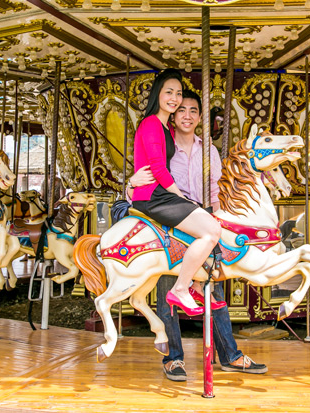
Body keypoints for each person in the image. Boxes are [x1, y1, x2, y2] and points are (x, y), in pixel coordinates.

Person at [129, 89, 267, 381]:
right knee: (167, 291)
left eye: (193, 110)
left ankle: (229, 355)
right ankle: (174, 358)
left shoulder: (210, 151)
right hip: (171, 223)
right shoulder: (163, 150)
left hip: (203, 220)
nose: (187, 116)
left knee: (214, 290)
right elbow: (142, 186)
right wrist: (128, 184)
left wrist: (218, 221)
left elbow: (217, 191)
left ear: (200, 117)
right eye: (182, 110)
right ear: (174, 115)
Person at [130, 69, 221, 317]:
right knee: (211, 230)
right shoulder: (150, 124)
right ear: (158, 93)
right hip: (154, 197)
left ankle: (196, 286)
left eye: (178, 93)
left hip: (158, 195)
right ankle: (182, 288)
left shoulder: (165, 128)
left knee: (212, 229)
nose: (174, 98)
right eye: (169, 92)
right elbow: (158, 168)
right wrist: (180, 197)